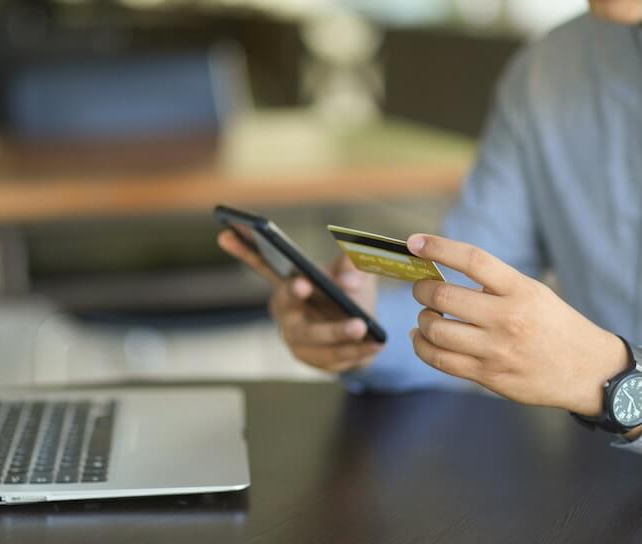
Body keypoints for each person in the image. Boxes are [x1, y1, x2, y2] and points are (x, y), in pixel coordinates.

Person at [219, 1, 642, 445]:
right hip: (591, 481)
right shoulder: (548, 69)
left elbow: (589, 373)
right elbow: (462, 292)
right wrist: (359, 328)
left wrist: (609, 379)